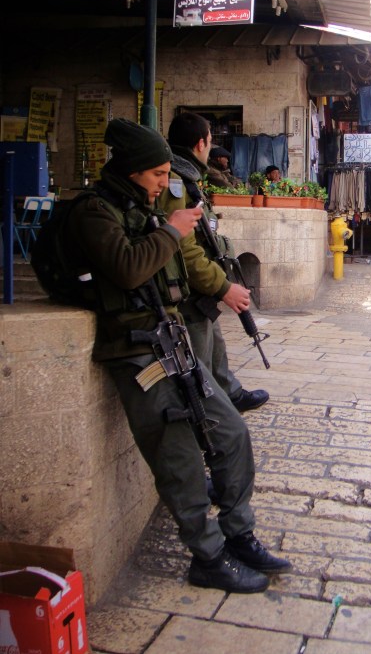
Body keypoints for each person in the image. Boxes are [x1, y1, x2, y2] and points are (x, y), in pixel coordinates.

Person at [62, 118, 290, 592]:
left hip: (173, 341)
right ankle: (206, 557)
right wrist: (169, 229)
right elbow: (126, 269)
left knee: (231, 433)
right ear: (130, 169)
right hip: (136, 354)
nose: (166, 184)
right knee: (181, 458)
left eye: (168, 174)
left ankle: (238, 533)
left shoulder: (146, 207)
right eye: (158, 175)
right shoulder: (94, 212)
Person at [165, 112, 269, 412]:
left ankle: (230, 394)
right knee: (197, 350)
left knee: (214, 338)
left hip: (198, 283)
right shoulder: (177, 181)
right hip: (185, 285)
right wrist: (223, 287)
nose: (211, 149)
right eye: (210, 142)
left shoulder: (189, 177)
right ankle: (211, 410)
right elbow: (183, 249)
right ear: (200, 143)